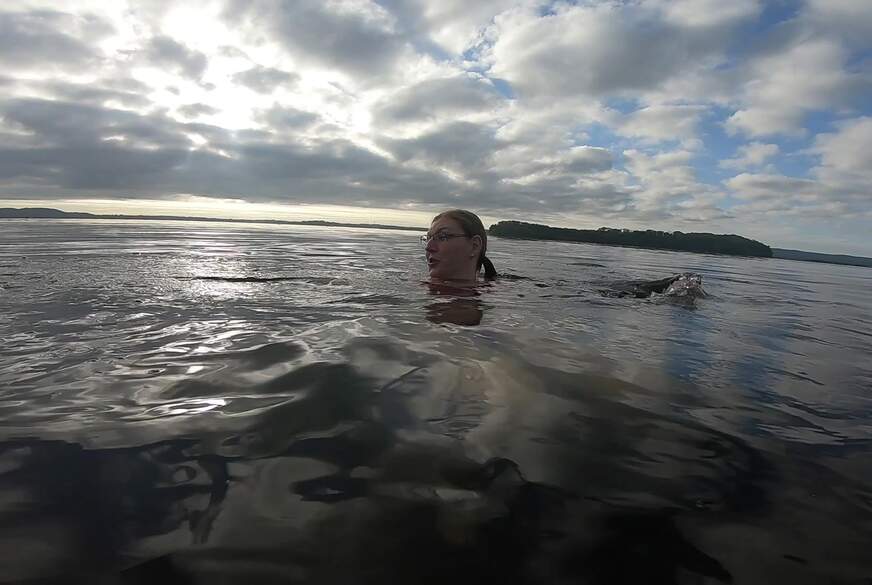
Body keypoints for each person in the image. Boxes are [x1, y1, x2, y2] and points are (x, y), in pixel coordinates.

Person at [422, 209, 498, 283]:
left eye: (442, 237)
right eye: (428, 238)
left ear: (474, 246)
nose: (428, 247)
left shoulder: (498, 293)